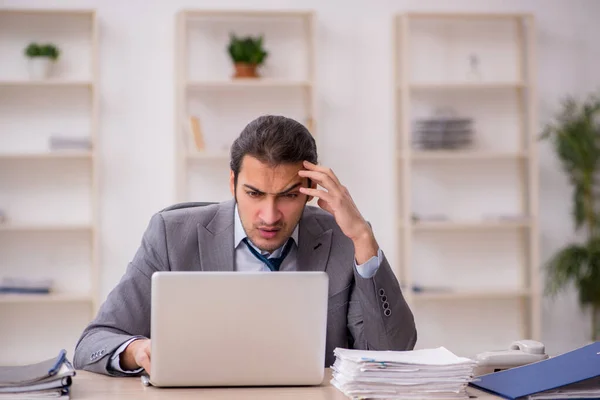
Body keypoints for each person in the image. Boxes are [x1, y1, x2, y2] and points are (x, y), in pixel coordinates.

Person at [73, 115, 417, 376]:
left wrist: (362, 239)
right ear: (233, 182)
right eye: (254, 194)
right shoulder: (171, 234)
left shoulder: (343, 237)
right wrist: (137, 349)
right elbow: (92, 345)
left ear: (311, 189)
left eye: (289, 195)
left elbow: (392, 353)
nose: (269, 215)